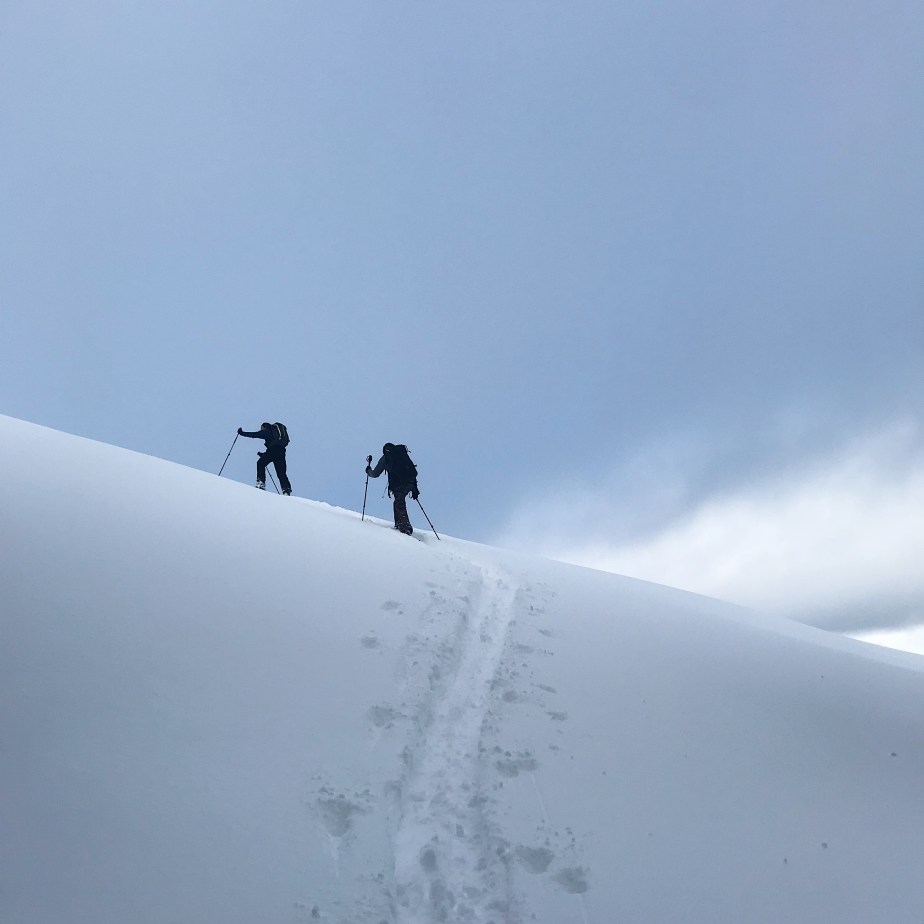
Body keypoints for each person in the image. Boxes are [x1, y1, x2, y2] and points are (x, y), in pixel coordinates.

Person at [365, 443, 419, 534]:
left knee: (399, 503)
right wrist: (414, 488)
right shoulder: (402, 455)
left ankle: (404, 526)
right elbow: (411, 470)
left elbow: (375, 474)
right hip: (410, 483)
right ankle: (400, 524)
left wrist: (368, 470)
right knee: (398, 502)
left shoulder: (386, 458)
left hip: (398, 485)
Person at [237, 422, 292, 495]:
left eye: (262, 428)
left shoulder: (267, 432)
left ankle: (261, 483)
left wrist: (242, 433)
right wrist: (263, 454)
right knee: (281, 472)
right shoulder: (276, 437)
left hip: (273, 450)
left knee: (260, 463)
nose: (261, 429)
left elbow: (255, 435)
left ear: (265, 427)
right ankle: (286, 489)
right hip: (281, 452)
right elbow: (274, 452)